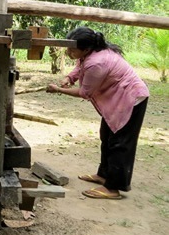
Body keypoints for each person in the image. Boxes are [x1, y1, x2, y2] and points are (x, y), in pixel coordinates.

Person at [47, 27, 149, 200]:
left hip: (131, 99)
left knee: (120, 143)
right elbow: (80, 67)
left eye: (72, 49)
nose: (69, 52)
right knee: (107, 136)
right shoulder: (90, 53)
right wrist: (69, 78)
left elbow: (85, 93)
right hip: (117, 100)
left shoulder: (97, 62)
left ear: (86, 49)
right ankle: (104, 175)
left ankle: (113, 188)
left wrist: (58, 90)